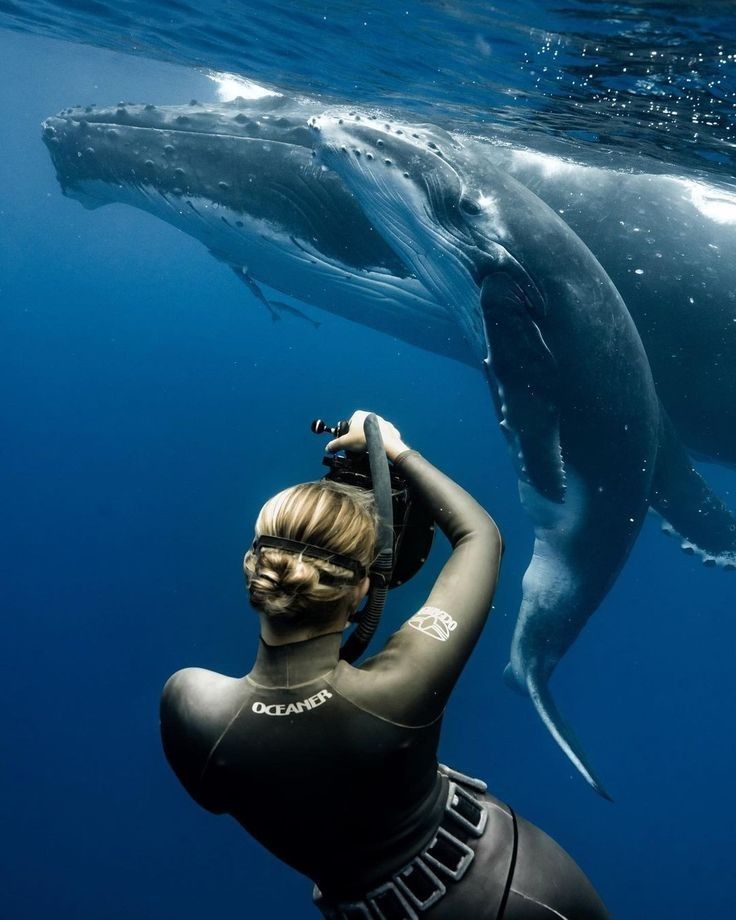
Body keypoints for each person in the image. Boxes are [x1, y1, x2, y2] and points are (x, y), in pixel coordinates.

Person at [160, 410, 610, 919]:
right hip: (524, 886)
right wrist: (393, 448)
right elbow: (480, 537)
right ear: (363, 590)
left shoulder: (191, 705)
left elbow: (227, 794)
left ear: (254, 567)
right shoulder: (400, 688)